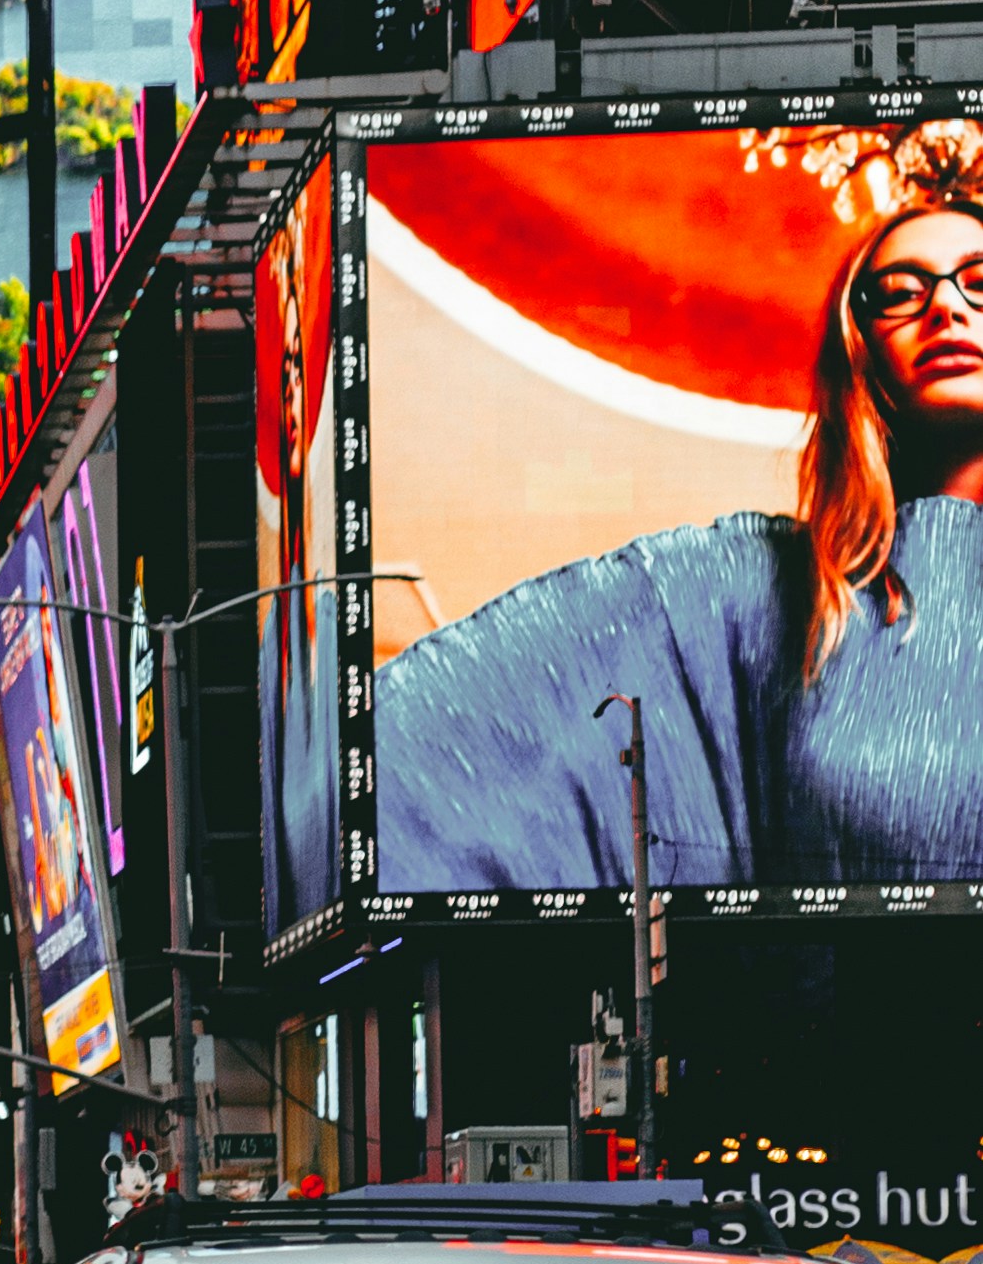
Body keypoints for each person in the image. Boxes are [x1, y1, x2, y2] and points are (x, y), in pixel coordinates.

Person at [373, 190, 983, 889]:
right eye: (899, 292)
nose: (946, 308)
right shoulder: (764, 588)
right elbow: (448, 740)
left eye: (979, 282)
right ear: (857, 353)